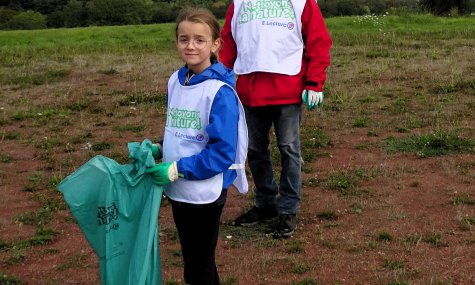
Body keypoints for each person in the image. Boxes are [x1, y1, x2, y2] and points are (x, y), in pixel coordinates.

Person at [143, 7, 248, 285]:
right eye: (184, 39)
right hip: (179, 187)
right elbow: (182, 130)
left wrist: (177, 169)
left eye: (200, 40)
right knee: (196, 259)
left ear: (215, 44)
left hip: (204, 192)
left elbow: (222, 152)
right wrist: (160, 147)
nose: (191, 46)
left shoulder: (219, 92)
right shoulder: (175, 81)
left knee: (198, 265)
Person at [219, 0, 332, 238]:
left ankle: (288, 208)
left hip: (288, 91)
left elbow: (318, 40)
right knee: (254, 149)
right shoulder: (239, 3)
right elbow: (228, 42)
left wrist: (314, 82)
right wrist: (217, 78)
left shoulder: (302, 2)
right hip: (250, 92)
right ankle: (266, 203)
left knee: (289, 149)